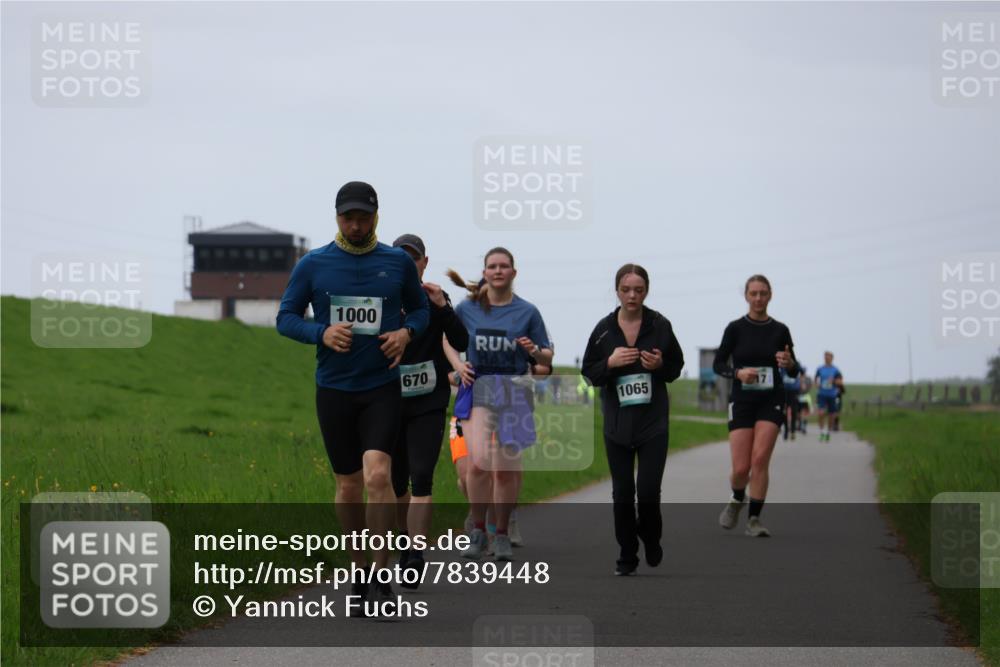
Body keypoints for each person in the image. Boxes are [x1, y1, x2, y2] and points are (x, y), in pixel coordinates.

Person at [276, 181, 429, 616]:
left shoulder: (397, 263)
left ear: (376, 216)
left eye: (364, 217)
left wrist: (406, 332)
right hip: (335, 389)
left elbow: (419, 310)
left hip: (381, 386)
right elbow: (285, 318)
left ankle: (381, 574)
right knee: (348, 485)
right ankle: (358, 570)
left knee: (379, 476)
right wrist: (319, 331)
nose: (356, 225)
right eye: (348, 217)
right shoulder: (314, 264)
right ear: (337, 217)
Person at [449, 248, 553, 562]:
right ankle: (479, 530)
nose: (498, 271)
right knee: (479, 462)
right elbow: (445, 337)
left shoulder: (528, 312)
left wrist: (533, 350)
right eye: (492, 266)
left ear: (513, 273)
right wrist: (457, 365)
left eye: (504, 266)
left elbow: (546, 357)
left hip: (514, 389)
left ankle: (503, 533)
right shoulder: (467, 309)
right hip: (479, 385)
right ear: (484, 272)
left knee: (505, 471)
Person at [582, 264, 684, 575]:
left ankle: (651, 538)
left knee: (649, 491)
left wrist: (660, 365)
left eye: (638, 290)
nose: (632, 295)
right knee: (623, 494)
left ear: (646, 291)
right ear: (617, 291)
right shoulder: (603, 330)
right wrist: (610, 363)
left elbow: (676, 368)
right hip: (617, 425)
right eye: (626, 289)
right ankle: (627, 555)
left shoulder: (660, 325)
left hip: (653, 423)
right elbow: (589, 374)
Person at [389, 234, 469, 589]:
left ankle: (417, 553)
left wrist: (443, 308)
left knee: (421, 477)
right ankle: (404, 542)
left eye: (414, 258)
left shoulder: (436, 298)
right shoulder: (381, 300)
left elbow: (462, 342)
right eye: (400, 258)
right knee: (394, 482)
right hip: (387, 403)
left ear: (424, 263)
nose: (408, 263)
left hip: (427, 402)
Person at [713, 274, 799, 537]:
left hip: (771, 399)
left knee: (760, 459)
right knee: (741, 468)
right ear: (746, 296)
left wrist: (789, 363)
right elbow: (719, 364)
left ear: (770, 295)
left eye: (763, 293)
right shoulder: (735, 328)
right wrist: (737, 374)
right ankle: (738, 497)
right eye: (754, 293)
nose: (759, 298)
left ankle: (754, 520)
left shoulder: (780, 330)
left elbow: (794, 370)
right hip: (742, 400)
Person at [814, 351, 844, 441]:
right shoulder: (820, 368)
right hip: (822, 394)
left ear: (832, 358)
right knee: (821, 413)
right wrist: (817, 384)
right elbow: (815, 379)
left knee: (832, 415)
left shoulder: (836, 370)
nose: (826, 358)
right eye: (825, 356)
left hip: (832, 395)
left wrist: (834, 381)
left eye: (828, 357)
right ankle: (822, 431)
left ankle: (828, 431)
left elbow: (840, 382)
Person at [781, 366, 803, 441]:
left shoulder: (795, 364)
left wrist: (801, 383)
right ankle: (786, 430)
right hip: (784, 391)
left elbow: (802, 371)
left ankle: (793, 431)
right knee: (784, 411)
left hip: (794, 391)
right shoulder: (782, 365)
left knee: (794, 411)